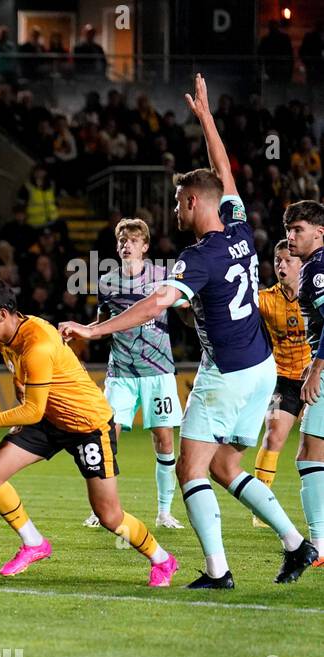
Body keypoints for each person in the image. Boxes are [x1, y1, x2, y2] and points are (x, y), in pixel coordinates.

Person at [59, 74, 315, 588]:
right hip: (261, 370)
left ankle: (219, 571)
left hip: (225, 376)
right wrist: (206, 119)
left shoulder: (198, 258)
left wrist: (93, 328)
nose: (175, 210)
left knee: (189, 471)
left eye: (179, 202)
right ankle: (296, 544)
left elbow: (155, 301)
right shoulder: (242, 228)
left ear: (196, 204)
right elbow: (224, 171)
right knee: (223, 468)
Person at [0, 278, 177, 586]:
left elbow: (33, 410)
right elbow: (22, 388)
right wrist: (22, 416)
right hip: (50, 420)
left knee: (109, 515)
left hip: (88, 425)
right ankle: (34, 543)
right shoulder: (4, 338)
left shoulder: (37, 344)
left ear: (1, 314)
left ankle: (162, 559)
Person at [80, 218, 184, 531]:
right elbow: (100, 323)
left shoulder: (162, 277)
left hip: (158, 370)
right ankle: (102, 510)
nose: (127, 245)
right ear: (117, 245)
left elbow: (184, 307)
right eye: (123, 240)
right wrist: (81, 332)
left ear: (146, 246)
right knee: (107, 438)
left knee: (164, 439)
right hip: (121, 372)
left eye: (134, 240)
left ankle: (164, 512)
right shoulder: (107, 283)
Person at [251, 239, 310, 529]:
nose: (281, 265)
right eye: (277, 261)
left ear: (301, 262)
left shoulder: (316, 292)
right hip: (283, 381)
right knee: (273, 437)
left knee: (313, 447)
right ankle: (262, 505)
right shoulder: (265, 299)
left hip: (315, 379)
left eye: (288, 260)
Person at [284, 200, 324, 561]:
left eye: (298, 229)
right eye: (288, 230)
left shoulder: (316, 271)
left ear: (319, 232)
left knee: (309, 453)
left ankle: (320, 544)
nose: (291, 236)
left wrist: (316, 369)